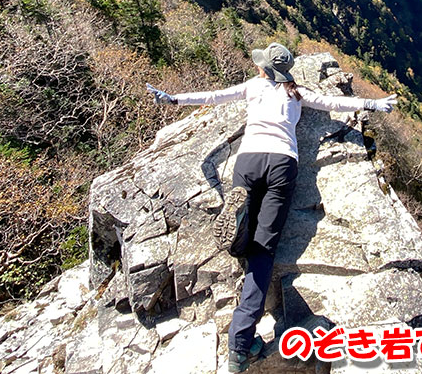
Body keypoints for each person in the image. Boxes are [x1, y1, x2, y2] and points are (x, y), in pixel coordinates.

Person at [146, 42, 397, 373]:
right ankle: (239, 346)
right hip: (282, 163)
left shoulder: (252, 86)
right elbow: (334, 102)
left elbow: (215, 96)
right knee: (263, 252)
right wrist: (373, 104)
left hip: (248, 160)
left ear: (264, 68)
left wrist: (173, 98)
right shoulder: (297, 93)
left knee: (248, 231)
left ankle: (238, 231)